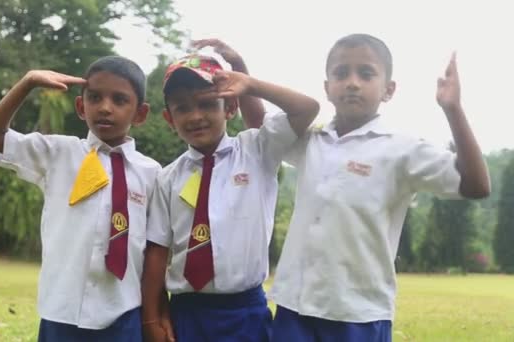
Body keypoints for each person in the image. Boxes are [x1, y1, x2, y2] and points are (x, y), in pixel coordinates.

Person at [270, 33, 491, 341]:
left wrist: (453, 109)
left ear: (389, 90)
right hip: (294, 308)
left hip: (358, 314)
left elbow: (477, 185)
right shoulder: (311, 140)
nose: (352, 82)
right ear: (327, 88)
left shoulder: (402, 150)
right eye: (341, 73)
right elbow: (262, 132)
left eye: (366, 73)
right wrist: (243, 74)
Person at [0, 56, 161, 341]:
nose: (105, 108)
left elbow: (153, 251)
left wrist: (153, 318)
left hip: (123, 313)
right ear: (80, 106)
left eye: (120, 100)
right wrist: (26, 84)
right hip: (62, 312)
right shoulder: (57, 153)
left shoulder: (152, 174)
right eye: (95, 97)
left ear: (140, 113)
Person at [141, 50, 320, 342]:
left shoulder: (257, 151)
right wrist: (151, 318)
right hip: (187, 312)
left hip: (245, 312)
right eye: (182, 108)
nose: (195, 116)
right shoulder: (167, 177)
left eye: (207, 103)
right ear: (169, 119)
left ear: (230, 107)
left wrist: (250, 84)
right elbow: (157, 251)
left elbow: (307, 109)